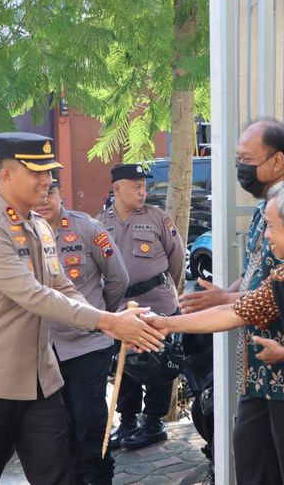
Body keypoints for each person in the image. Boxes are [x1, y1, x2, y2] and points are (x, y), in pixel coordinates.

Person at [0, 132, 165, 485]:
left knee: (59, 475)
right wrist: (108, 320)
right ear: (6, 175)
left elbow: (62, 287)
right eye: (36, 172)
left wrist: (113, 325)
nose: (46, 180)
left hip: (40, 382)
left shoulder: (39, 227)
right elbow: (33, 295)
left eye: (49, 172)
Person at [144, 179, 284, 484]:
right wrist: (166, 324)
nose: (265, 236)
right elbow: (236, 312)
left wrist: (283, 354)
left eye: (271, 227)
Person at [178, 119, 284, 484]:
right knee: (251, 456)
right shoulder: (268, 204)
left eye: (247, 159)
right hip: (260, 367)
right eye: (237, 158)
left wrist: (226, 299)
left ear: (277, 160)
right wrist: (224, 293)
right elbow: (256, 272)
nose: (240, 168)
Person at [36, 172, 129, 485]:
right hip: (43, 348)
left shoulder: (87, 228)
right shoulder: (20, 234)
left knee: (89, 421)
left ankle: (100, 477)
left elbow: (118, 279)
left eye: (51, 192)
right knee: (57, 425)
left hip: (86, 344)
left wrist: (100, 317)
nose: (44, 200)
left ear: (61, 194)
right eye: (40, 193)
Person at [96, 163, 185, 450]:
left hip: (158, 304)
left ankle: (153, 423)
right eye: (136, 187)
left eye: (144, 186)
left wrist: (167, 290)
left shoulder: (157, 217)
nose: (143, 192)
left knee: (159, 365)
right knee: (128, 364)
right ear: (117, 189)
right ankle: (129, 421)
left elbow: (177, 258)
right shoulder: (100, 224)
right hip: (122, 309)